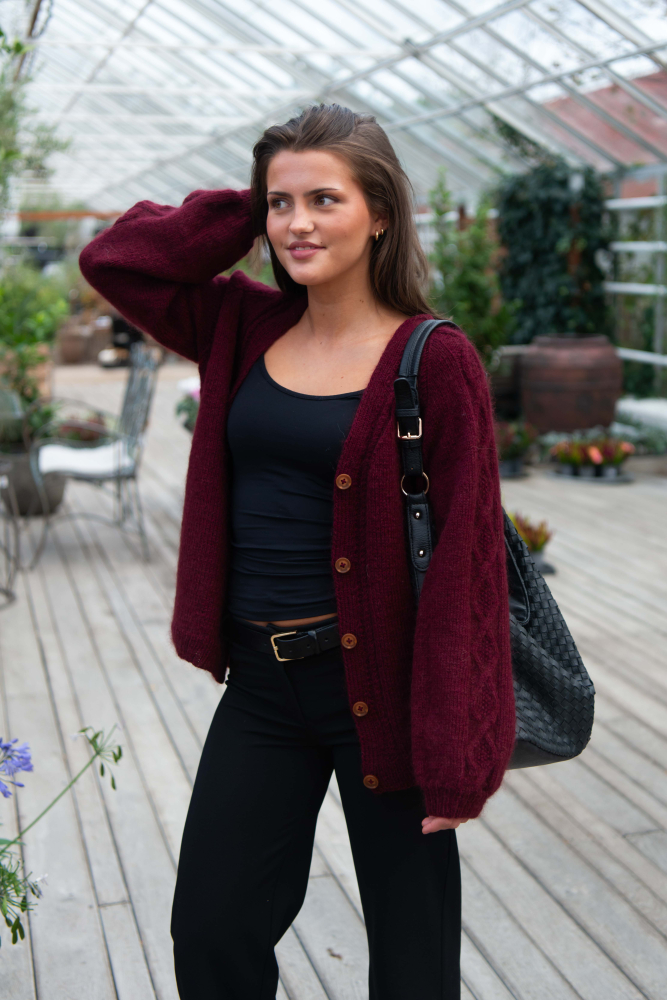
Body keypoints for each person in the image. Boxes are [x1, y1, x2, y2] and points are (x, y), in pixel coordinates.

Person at [79, 103, 515, 1000]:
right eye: (281, 203)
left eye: (325, 200)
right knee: (211, 928)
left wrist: (456, 752)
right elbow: (114, 260)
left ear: (380, 213)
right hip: (262, 684)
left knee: (411, 958)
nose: (297, 224)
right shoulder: (242, 323)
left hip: (386, 688)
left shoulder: (434, 359)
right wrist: (242, 209)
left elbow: (465, 568)